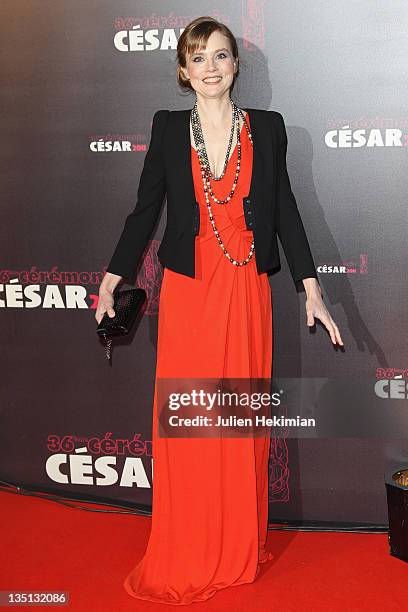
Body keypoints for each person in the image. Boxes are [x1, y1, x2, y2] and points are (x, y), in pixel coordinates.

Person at [96, 16, 343, 605]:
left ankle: (233, 543)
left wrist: (312, 286)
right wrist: (112, 277)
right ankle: (189, 544)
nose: (211, 67)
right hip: (189, 290)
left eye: (222, 56)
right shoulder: (167, 129)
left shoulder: (269, 128)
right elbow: (144, 211)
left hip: (247, 289)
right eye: (199, 57)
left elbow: (284, 210)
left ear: (237, 66)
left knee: (237, 423)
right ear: (184, 71)